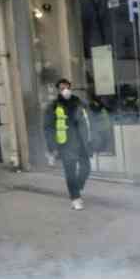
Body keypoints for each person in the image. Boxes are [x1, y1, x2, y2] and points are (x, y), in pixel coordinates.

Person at [43, 79, 92, 210]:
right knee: (70, 172)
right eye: (62, 88)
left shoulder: (78, 102)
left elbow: (88, 120)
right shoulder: (54, 105)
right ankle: (75, 198)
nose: (65, 90)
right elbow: (48, 127)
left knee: (86, 168)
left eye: (67, 87)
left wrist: (91, 139)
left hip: (81, 141)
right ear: (58, 90)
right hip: (65, 144)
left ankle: (77, 187)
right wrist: (52, 147)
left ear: (71, 87)